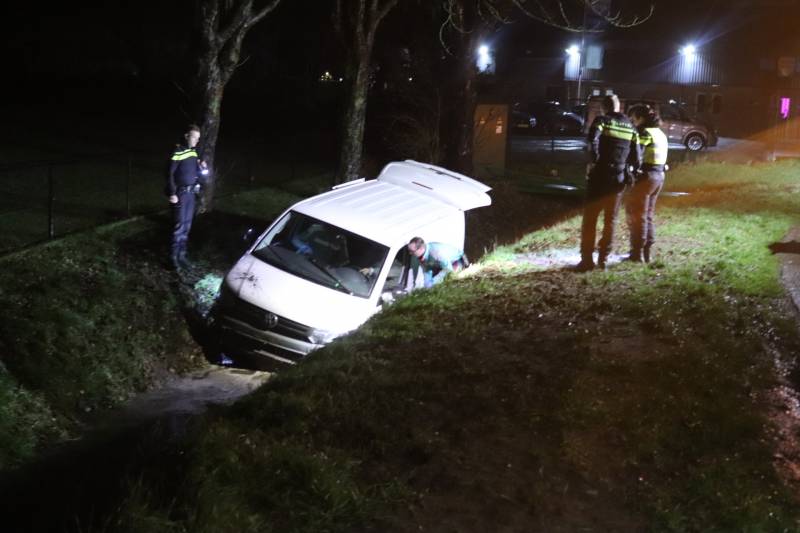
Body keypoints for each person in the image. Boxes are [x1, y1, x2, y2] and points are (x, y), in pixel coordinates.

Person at [574, 94, 640, 272]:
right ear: (619, 107)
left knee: (590, 218)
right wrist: (629, 170)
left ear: (604, 107)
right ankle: (603, 259)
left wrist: (595, 159)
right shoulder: (631, 127)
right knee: (610, 220)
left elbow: (591, 139)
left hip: (599, 176)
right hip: (618, 179)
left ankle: (587, 260)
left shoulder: (602, 120)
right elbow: (637, 157)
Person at [625, 106, 668, 263]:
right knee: (648, 214)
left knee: (638, 215)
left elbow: (636, 154)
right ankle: (647, 252)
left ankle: (636, 254)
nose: (632, 123)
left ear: (641, 119)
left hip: (646, 176)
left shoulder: (644, 132)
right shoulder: (660, 134)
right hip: (659, 177)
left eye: (633, 119)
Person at [165, 124, 209, 270]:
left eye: (198, 138)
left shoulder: (194, 153)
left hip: (191, 194)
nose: (196, 141)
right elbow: (169, 173)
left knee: (187, 226)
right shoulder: (177, 152)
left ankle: (182, 255)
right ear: (186, 136)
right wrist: (172, 193)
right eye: (194, 137)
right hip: (180, 194)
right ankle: (173, 258)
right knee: (179, 226)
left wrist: (202, 169)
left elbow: (200, 175)